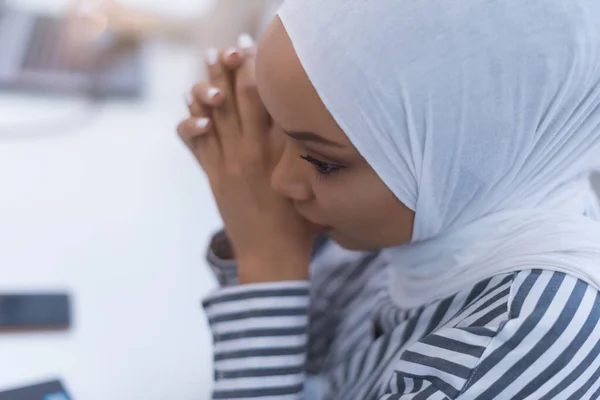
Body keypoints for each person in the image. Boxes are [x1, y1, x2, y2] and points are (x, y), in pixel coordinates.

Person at [177, 0, 600, 398]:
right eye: (278, 129)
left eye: (322, 162)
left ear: (465, 148)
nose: (280, 180)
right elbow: (312, 341)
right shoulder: (436, 221)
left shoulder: (525, 339)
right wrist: (271, 234)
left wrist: (267, 262)